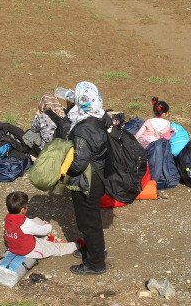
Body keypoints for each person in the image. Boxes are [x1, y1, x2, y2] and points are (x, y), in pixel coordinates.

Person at [67, 81, 109, 275]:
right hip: (100, 176)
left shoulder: (83, 128)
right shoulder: (101, 117)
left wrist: (66, 173)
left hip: (88, 180)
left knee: (88, 222)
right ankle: (96, 250)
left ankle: (95, 264)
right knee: (92, 219)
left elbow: (80, 161)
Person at [4, 191, 78, 259]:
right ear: (23, 210)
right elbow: (43, 231)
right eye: (26, 205)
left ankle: (47, 239)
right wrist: (49, 226)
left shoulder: (8, 219)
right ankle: (77, 245)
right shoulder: (25, 223)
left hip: (16, 246)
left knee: (35, 220)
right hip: (30, 251)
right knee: (57, 249)